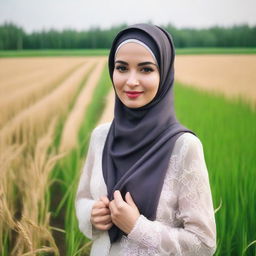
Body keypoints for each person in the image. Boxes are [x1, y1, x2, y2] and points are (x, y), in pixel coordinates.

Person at [75, 23, 217, 256]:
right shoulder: (100, 137)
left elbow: (204, 244)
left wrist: (137, 227)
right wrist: (90, 213)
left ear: (164, 74)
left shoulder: (183, 147)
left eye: (146, 69)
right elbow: (82, 199)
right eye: (122, 68)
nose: (131, 81)